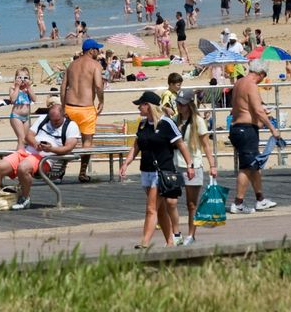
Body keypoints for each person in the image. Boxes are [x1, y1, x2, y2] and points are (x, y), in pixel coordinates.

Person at [0, 97, 79, 212]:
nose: (53, 122)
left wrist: (51, 149)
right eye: (51, 119)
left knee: (23, 167)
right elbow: (28, 136)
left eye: (56, 120)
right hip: (27, 152)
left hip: (45, 159)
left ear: (64, 116)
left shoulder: (71, 126)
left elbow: (68, 148)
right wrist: (36, 144)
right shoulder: (43, 119)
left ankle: (25, 198)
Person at [119, 91, 194, 249]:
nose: (139, 108)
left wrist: (189, 165)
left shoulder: (166, 123)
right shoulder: (143, 124)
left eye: (141, 105)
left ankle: (145, 241)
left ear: (148, 106)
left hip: (161, 171)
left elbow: (180, 144)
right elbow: (136, 146)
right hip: (146, 171)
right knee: (159, 210)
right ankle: (170, 241)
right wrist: (126, 163)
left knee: (151, 208)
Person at [228, 65, 280, 214]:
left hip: (237, 128)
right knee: (246, 167)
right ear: (261, 74)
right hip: (246, 130)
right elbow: (257, 110)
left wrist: (260, 109)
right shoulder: (251, 85)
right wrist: (273, 129)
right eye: (263, 77)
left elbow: (244, 105)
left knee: (254, 166)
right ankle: (238, 203)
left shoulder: (239, 83)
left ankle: (260, 199)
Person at [174, 92, 217, 247]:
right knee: (171, 202)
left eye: (182, 104)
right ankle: (175, 233)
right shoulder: (175, 120)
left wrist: (212, 165)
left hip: (194, 165)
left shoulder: (198, 121)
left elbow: (206, 145)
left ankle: (191, 234)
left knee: (191, 204)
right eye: (178, 103)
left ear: (190, 105)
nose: (179, 106)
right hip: (176, 164)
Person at [61, 39, 106, 183]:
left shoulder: (72, 65)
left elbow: (63, 87)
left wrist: (63, 105)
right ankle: (82, 172)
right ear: (91, 50)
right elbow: (98, 86)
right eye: (97, 49)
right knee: (87, 141)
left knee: (66, 140)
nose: (99, 52)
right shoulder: (95, 65)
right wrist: (101, 101)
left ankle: (61, 170)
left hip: (70, 106)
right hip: (86, 108)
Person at [8, 69, 35, 150]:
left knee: (26, 139)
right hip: (16, 116)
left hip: (26, 118)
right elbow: (12, 99)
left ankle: (22, 154)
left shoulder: (28, 89)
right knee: (21, 139)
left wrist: (29, 87)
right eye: (20, 77)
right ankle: (19, 157)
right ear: (16, 78)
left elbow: (34, 99)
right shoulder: (13, 88)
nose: (22, 80)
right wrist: (17, 87)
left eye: (25, 77)